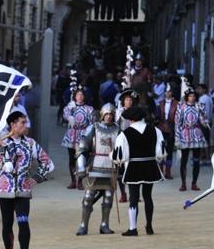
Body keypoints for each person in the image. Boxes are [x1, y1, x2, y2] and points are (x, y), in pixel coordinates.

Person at [0, 111, 54, 249]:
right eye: (21, 122)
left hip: (22, 189)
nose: (25, 125)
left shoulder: (30, 143)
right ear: (13, 124)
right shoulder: (0, 143)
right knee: (7, 224)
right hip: (5, 190)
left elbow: (47, 162)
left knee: (23, 222)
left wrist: (36, 178)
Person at [113, 106, 165, 236]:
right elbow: (161, 153)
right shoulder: (155, 130)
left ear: (130, 119)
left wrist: (113, 158)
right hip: (150, 165)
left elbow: (120, 157)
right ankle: (149, 226)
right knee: (148, 197)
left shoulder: (124, 134)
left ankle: (133, 228)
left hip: (134, 167)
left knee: (133, 198)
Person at [75, 103, 120, 235]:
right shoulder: (93, 128)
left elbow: (123, 149)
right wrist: (81, 167)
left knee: (108, 197)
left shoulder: (118, 130)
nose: (108, 117)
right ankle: (83, 225)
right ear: (102, 114)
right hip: (95, 165)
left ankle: (104, 224)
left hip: (111, 167)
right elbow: (81, 148)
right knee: (89, 196)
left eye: (111, 114)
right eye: (106, 114)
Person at [62, 87, 95, 190]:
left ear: (84, 96)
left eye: (81, 95)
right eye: (78, 95)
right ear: (75, 96)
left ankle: (80, 181)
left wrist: (89, 135)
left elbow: (92, 123)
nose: (80, 97)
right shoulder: (70, 107)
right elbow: (66, 115)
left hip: (83, 135)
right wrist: (70, 116)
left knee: (82, 159)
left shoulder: (89, 109)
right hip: (72, 135)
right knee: (72, 159)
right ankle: (73, 181)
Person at [175, 86, 208, 191]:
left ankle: (194, 183)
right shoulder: (181, 107)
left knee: (196, 160)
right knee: (184, 160)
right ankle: (183, 183)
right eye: (190, 96)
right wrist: (177, 137)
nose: (192, 98)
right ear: (186, 97)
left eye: (193, 96)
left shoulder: (199, 106)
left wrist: (203, 116)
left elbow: (203, 121)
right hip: (185, 134)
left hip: (196, 134)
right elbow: (177, 123)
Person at [155, 84, 178, 179]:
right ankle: (160, 171)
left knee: (169, 150)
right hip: (161, 128)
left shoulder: (177, 103)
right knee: (160, 149)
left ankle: (168, 171)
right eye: (166, 91)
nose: (167, 93)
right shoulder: (160, 103)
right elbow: (157, 115)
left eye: (169, 91)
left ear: (172, 92)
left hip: (171, 128)